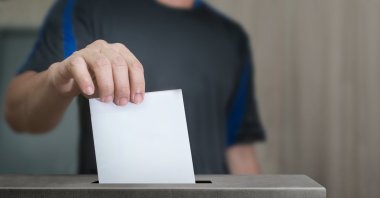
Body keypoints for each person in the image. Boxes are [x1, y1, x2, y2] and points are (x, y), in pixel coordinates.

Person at [5, 0, 265, 174]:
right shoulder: (85, 7)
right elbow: (17, 114)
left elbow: (239, 149)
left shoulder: (231, 36)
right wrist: (55, 80)